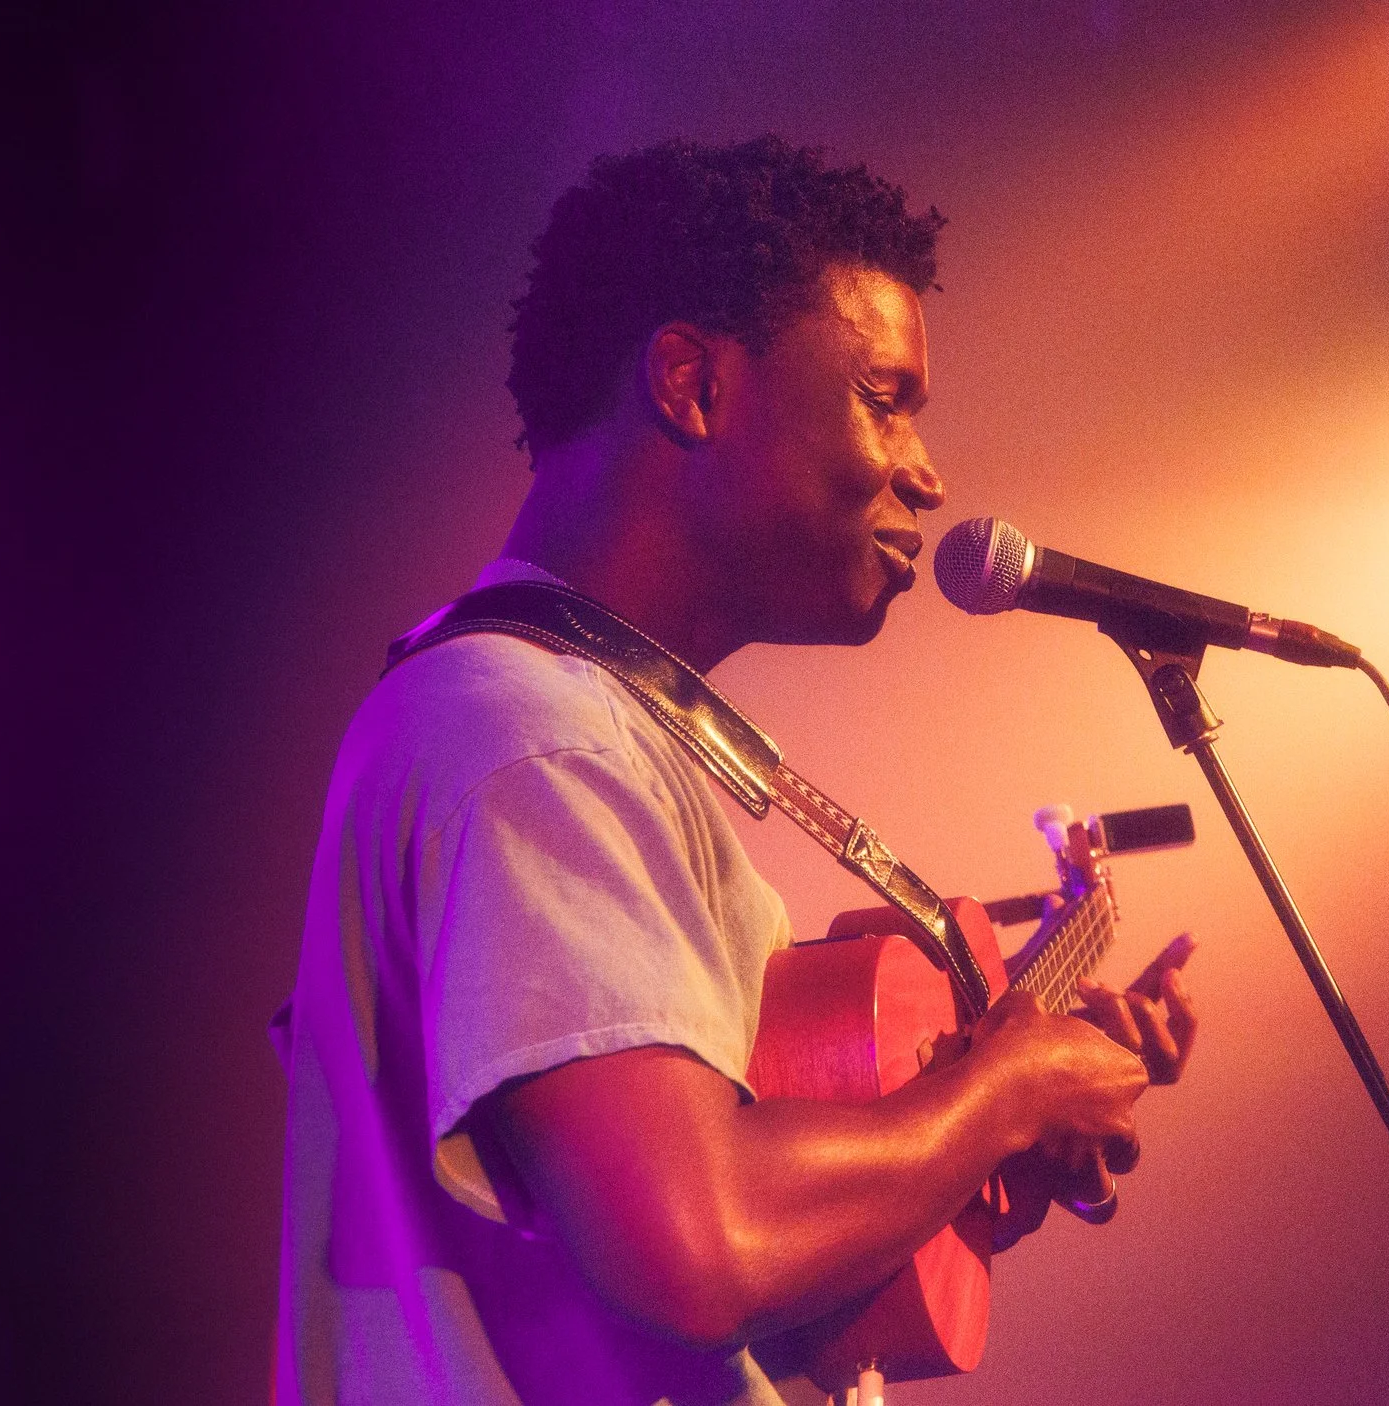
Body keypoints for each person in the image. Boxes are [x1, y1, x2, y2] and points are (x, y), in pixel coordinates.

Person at [273, 136, 1195, 1406]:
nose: (928, 473)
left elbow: (741, 1299)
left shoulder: (576, 728)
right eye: (887, 397)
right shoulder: (531, 735)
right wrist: (1000, 1089)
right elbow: (700, 1252)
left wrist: (999, 1151)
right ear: (693, 384)